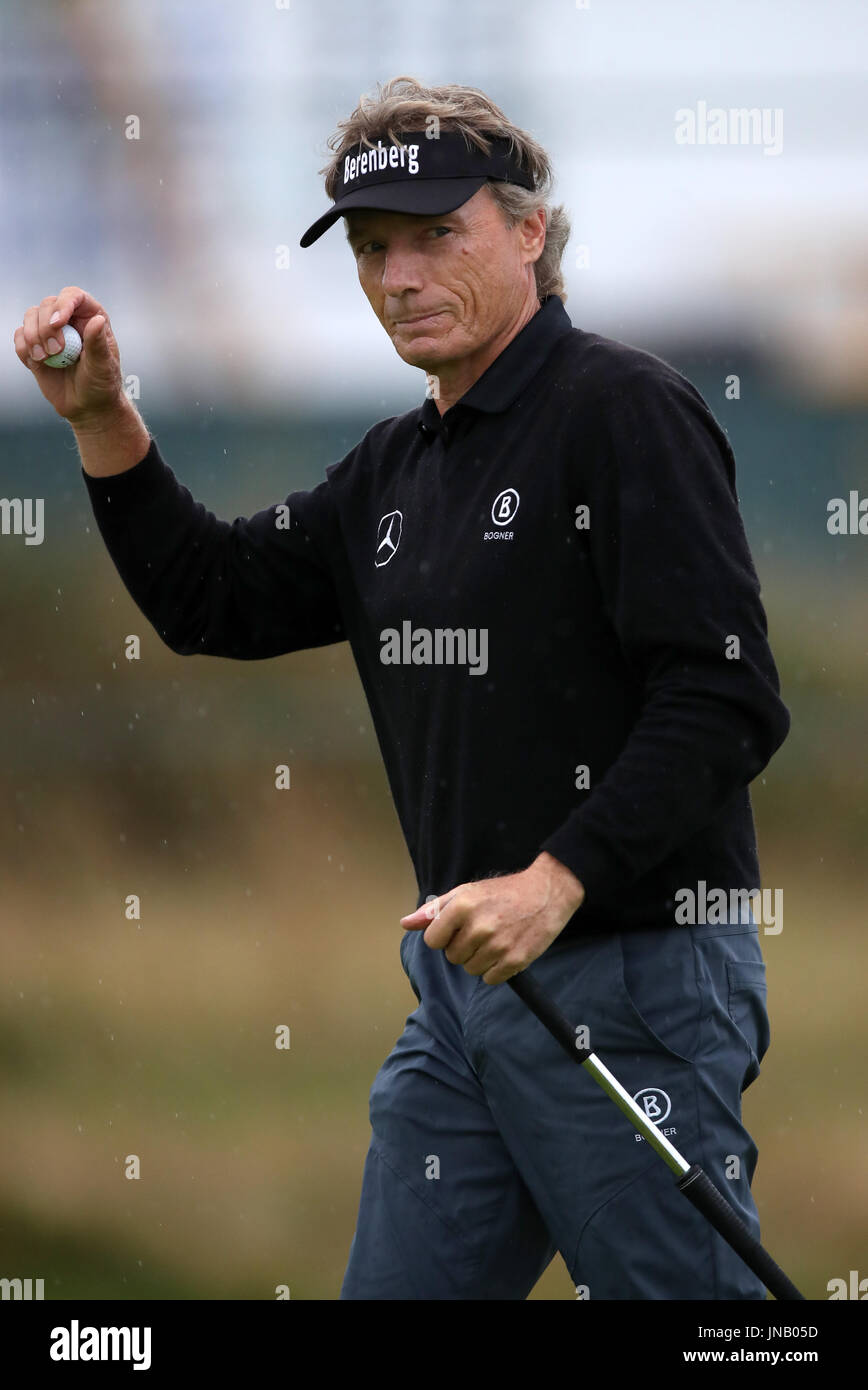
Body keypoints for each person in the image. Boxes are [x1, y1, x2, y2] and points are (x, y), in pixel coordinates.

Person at [14, 76, 790, 1300]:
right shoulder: (395, 465)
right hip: (462, 997)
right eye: (373, 249)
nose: (398, 277)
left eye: (437, 236)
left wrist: (553, 881)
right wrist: (106, 422)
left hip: (632, 979)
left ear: (528, 230)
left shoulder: (623, 409)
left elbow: (726, 696)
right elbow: (214, 597)